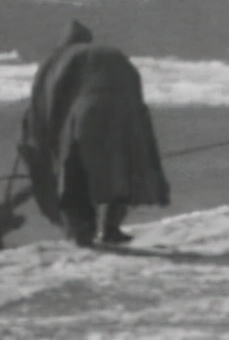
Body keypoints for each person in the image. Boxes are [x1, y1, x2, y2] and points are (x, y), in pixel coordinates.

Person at [18, 20, 170, 246]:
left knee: (75, 173)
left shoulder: (58, 59)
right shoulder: (111, 53)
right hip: (127, 112)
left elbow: (45, 101)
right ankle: (111, 228)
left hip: (86, 116)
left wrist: (38, 137)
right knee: (120, 169)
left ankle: (82, 233)